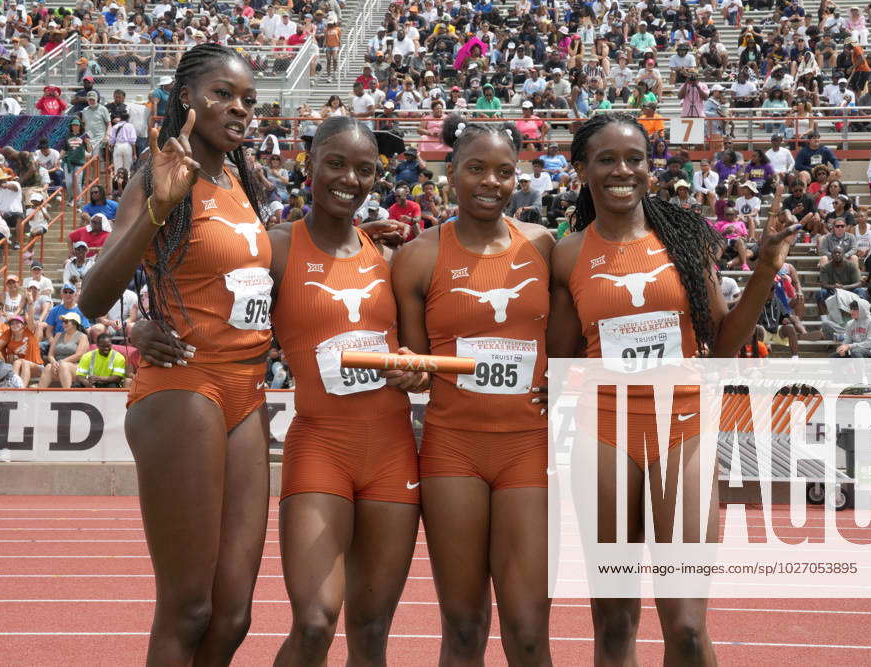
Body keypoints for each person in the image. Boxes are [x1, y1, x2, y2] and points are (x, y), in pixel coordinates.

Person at [547, 112, 798, 664]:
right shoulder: (568, 254)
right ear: (582, 168)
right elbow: (557, 360)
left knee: (685, 627)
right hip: (604, 438)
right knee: (615, 623)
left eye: (634, 159)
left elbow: (725, 344)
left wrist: (764, 271)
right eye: (607, 159)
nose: (622, 170)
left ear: (649, 168)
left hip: (683, 430)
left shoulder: (683, 239)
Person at [79, 44, 274, 665]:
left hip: (247, 391)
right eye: (222, 94)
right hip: (184, 385)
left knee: (233, 615)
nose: (238, 108)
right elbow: (93, 296)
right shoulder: (158, 170)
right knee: (188, 610)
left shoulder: (241, 179)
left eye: (247, 98)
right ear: (185, 98)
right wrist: (159, 205)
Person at [259, 116, 426, 665]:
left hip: (391, 450)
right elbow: (211, 307)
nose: (349, 179)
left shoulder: (389, 256)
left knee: (372, 629)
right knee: (313, 623)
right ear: (309, 165)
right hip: (320, 448)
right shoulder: (276, 248)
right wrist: (148, 326)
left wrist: (414, 370)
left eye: (364, 170)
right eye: (336, 163)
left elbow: (414, 350)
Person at [392, 115, 554, 664]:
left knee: (529, 630)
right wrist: (413, 370)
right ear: (451, 174)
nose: (491, 182)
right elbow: (419, 362)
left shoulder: (545, 246)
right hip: (452, 448)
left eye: (504, 172)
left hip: (529, 448)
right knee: (463, 628)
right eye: (476, 169)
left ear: (519, 177)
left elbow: (572, 343)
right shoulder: (419, 257)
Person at [40, 312, 90, 388]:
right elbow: (50, 355)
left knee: (64, 366)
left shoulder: (82, 336)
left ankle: (68, 394)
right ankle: (39, 394)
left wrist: (61, 362)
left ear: (74, 323)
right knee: (48, 366)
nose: (63, 323)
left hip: (77, 366)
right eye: (63, 321)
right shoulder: (58, 335)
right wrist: (54, 363)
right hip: (58, 366)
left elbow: (79, 355)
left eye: (66, 321)